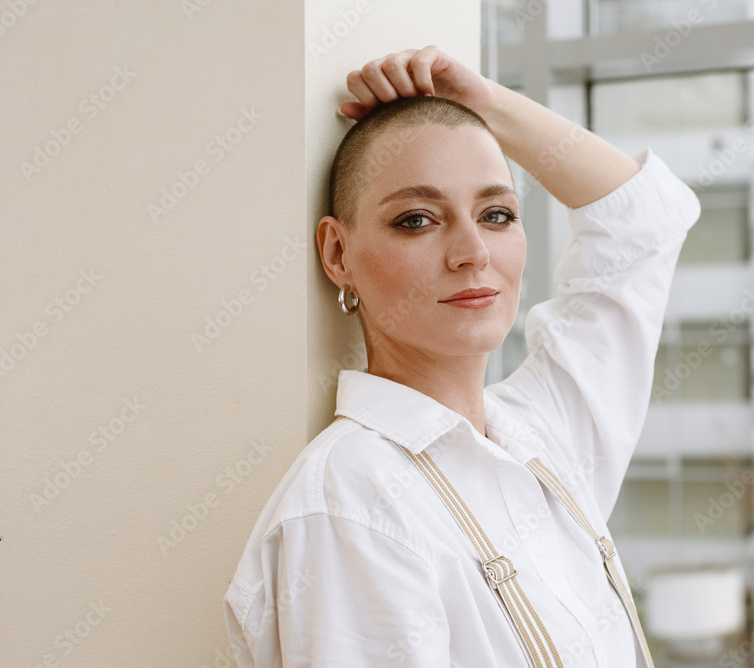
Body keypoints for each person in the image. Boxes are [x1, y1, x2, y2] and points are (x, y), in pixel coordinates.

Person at [223, 45, 701, 667]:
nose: (473, 252)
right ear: (338, 255)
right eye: (417, 220)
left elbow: (644, 224)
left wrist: (486, 105)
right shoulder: (354, 499)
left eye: (496, 214)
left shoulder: (542, 436)